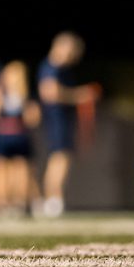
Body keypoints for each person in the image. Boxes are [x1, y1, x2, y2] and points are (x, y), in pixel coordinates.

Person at [37, 31, 97, 218]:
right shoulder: (51, 66)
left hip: (62, 119)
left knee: (61, 157)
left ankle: (53, 200)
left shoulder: (61, 69)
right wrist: (79, 95)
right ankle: (53, 200)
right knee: (60, 157)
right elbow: (50, 92)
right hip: (57, 119)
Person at [0, 61, 40, 216]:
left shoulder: (25, 96)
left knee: (21, 171)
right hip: (1, 135)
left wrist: (25, 102)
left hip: (19, 135)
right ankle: (1, 204)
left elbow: (33, 120)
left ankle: (19, 202)